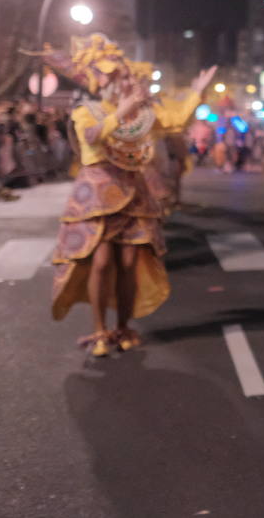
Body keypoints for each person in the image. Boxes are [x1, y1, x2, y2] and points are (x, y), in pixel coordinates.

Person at [45, 34, 214, 356]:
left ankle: (123, 326)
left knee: (129, 261)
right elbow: (92, 138)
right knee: (101, 261)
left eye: (127, 77)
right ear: (102, 82)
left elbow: (175, 121)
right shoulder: (87, 110)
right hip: (97, 195)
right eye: (119, 77)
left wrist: (197, 92)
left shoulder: (141, 115)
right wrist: (121, 111)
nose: (125, 82)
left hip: (134, 193)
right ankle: (99, 330)